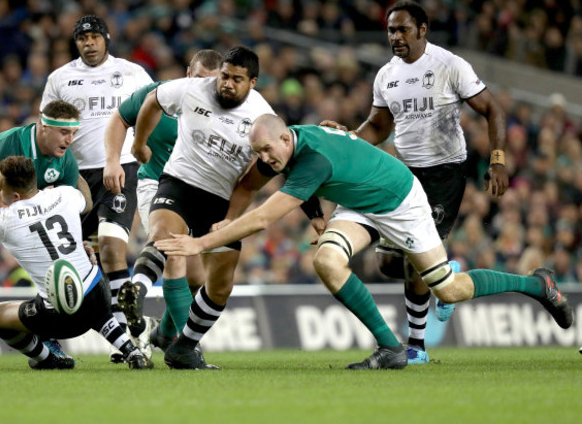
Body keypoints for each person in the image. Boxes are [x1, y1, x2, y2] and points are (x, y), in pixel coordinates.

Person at [155, 115, 573, 370]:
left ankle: (539, 285)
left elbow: (264, 217)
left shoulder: (310, 159)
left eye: (267, 150)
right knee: (326, 261)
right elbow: (266, 185)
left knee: (448, 287)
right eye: (258, 152)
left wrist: (199, 245)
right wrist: (315, 215)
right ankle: (390, 347)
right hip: (359, 203)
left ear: (285, 139)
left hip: (399, 199)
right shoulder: (292, 142)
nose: (265, 159)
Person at [321, 1, 509, 364]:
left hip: (443, 173)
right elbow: (378, 126)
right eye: (391, 30)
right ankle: (445, 270)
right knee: (389, 266)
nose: (396, 37)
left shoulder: (449, 65)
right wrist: (348, 139)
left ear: (423, 30)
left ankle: (416, 347)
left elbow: (492, 108)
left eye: (403, 29)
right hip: (403, 174)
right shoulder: (386, 75)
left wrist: (498, 159)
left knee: (414, 263)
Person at [116, 46, 320, 369]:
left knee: (219, 286)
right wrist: (139, 143)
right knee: (164, 239)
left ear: (252, 82)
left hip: (222, 200)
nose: (226, 84)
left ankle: (177, 342)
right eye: (225, 76)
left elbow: (286, 162)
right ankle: (138, 294)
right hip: (179, 183)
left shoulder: (262, 116)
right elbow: (152, 101)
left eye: (236, 79)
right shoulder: (191, 89)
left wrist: (314, 214)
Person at [0, 137, 151, 370]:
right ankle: (131, 350)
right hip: (97, 295)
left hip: (59, 317)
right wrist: (69, 162)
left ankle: (47, 358)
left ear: (14, 195)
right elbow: (86, 201)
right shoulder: (63, 195)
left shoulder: (4, 220)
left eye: (0, 186)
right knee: (92, 297)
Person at [40, 15, 153, 362]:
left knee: (111, 249)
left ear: (106, 38)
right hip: (73, 177)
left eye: (94, 36)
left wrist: (144, 149)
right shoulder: (59, 78)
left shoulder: (133, 73)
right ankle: (57, 333)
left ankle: (129, 336)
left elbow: (155, 109)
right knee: (70, 259)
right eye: (82, 38)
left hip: (119, 169)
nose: (88, 43)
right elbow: (46, 127)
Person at [103, 49, 222, 352]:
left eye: (209, 83)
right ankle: (186, 350)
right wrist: (113, 160)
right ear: (187, 73)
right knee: (174, 254)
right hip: (155, 184)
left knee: (197, 278)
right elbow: (119, 118)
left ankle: (164, 333)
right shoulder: (160, 95)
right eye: (196, 79)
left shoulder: (226, 111)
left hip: (197, 190)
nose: (200, 88)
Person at [0, 99, 87, 371]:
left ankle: (48, 338)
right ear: (43, 127)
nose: (70, 140)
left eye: (74, 133)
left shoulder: (66, 160)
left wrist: (80, 242)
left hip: (24, 208)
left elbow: (71, 207)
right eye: (64, 133)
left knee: (52, 257)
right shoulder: (9, 145)